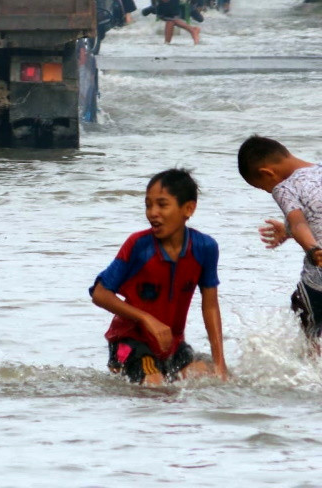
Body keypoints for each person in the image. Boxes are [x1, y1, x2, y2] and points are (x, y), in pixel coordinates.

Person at [90, 168, 227, 385]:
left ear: (188, 208)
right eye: (148, 205)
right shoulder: (138, 246)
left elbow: (210, 305)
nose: (152, 212)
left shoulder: (205, 248)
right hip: (128, 343)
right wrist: (146, 319)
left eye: (162, 205)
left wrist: (221, 363)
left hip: (172, 344)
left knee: (210, 375)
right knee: (155, 386)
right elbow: (99, 293)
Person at [237, 136, 322, 340]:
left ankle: (311, 368)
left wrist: (312, 249)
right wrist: (288, 231)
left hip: (318, 280)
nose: (268, 191)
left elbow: (298, 222)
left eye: (262, 187)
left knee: (307, 323)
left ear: (267, 173)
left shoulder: (284, 187)